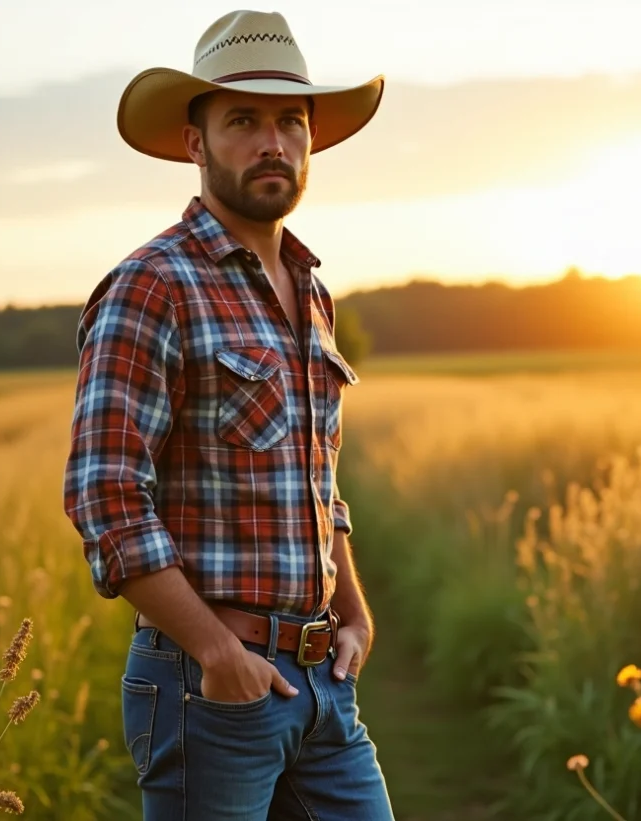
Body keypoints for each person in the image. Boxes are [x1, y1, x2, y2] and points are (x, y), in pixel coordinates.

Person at [62, 10, 392, 819]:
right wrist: (217, 652)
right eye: (242, 120)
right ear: (195, 143)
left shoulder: (312, 291)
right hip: (208, 685)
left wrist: (353, 610)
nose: (271, 141)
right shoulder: (153, 284)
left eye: (289, 121)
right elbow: (105, 494)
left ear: (311, 141)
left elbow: (315, 477)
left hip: (323, 684)